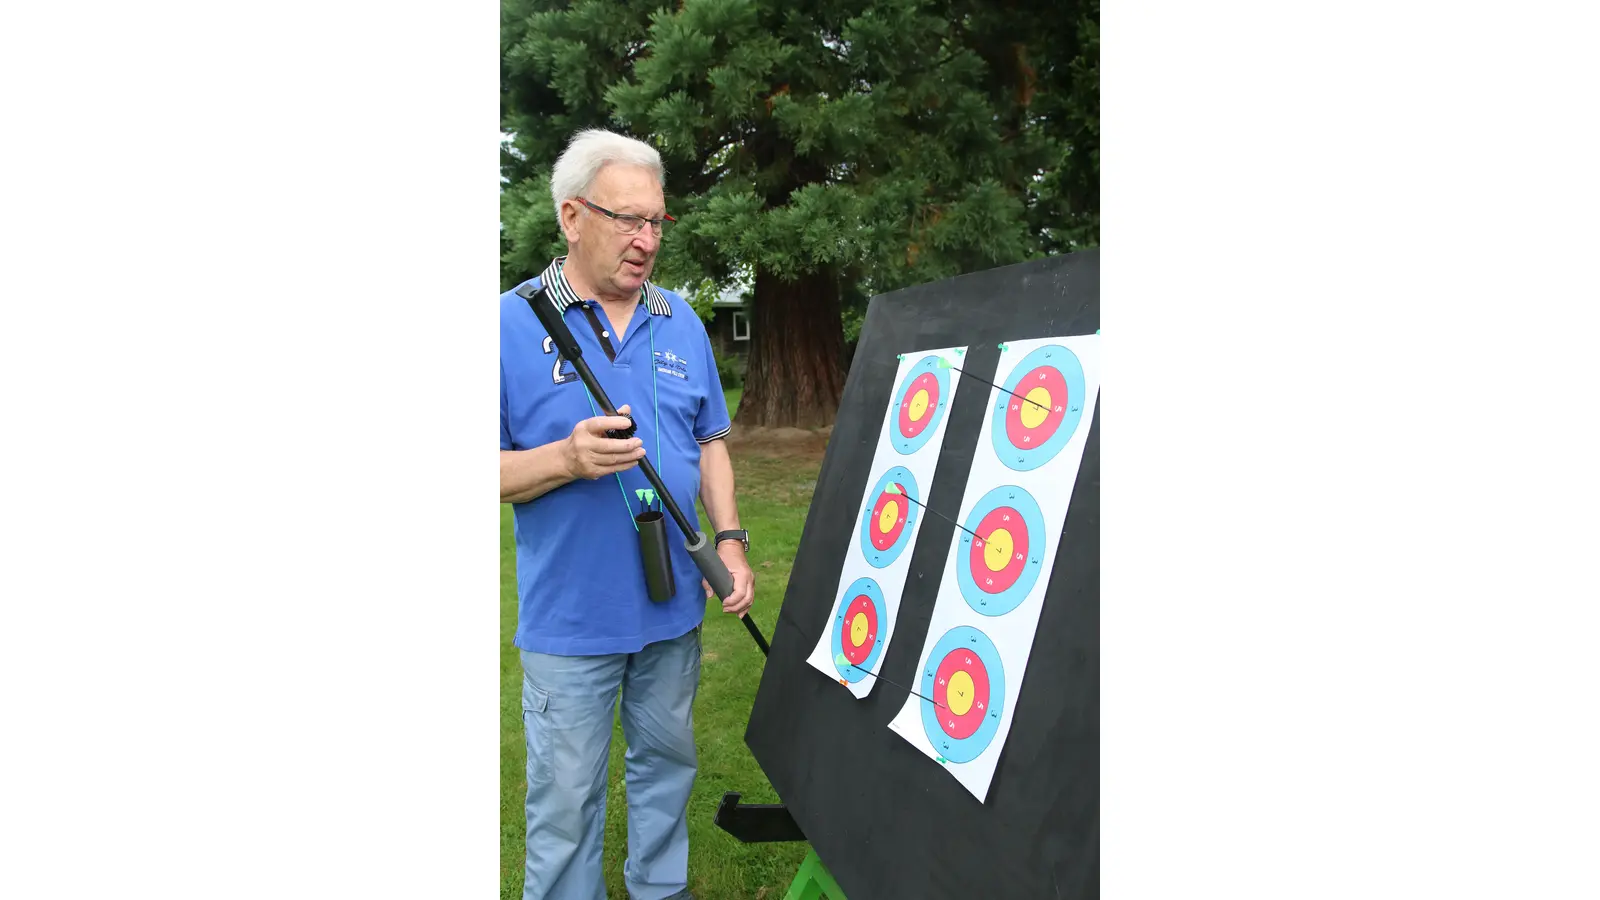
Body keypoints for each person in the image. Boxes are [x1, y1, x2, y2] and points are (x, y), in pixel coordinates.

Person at [499, 128, 755, 900]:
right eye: (626, 220)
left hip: (673, 612)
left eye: (657, 223)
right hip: (570, 625)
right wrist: (565, 460)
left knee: (666, 778)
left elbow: (710, 443)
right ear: (573, 216)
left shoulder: (679, 320)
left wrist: (734, 541)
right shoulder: (503, 324)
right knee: (567, 808)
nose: (646, 241)